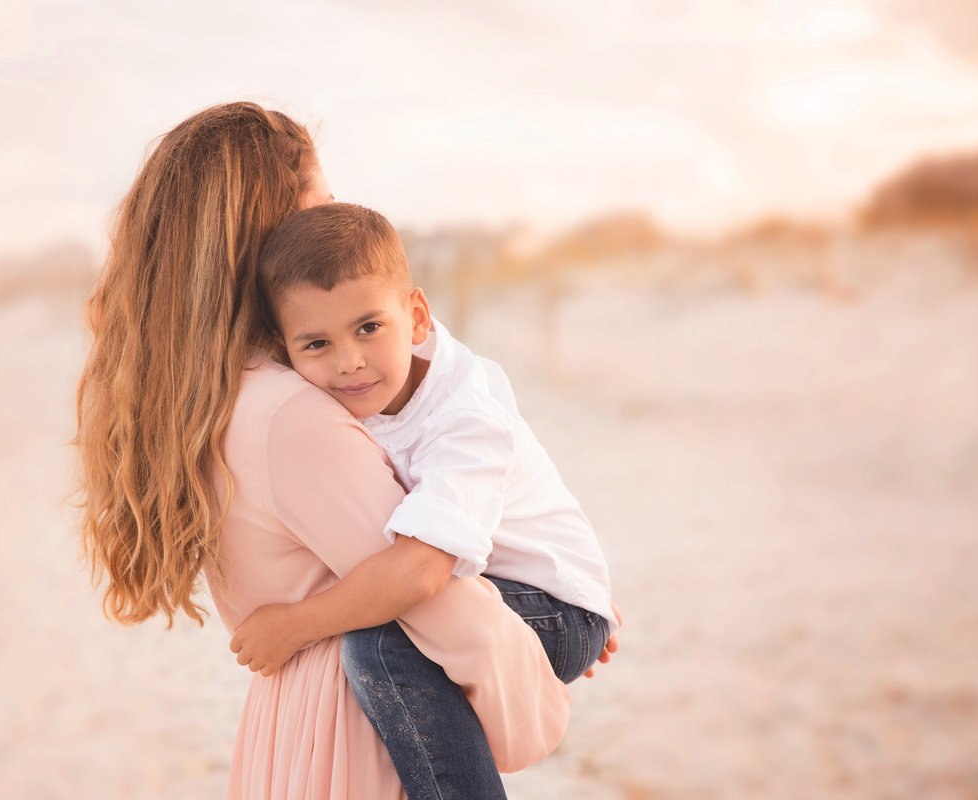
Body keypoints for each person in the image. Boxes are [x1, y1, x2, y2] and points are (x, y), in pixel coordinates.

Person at [74, 102, 598, 800]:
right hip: (355, 732)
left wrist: (551, 603)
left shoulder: (217, 397)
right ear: (266, 239)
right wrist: (530, 665)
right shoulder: (294, 413)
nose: (336, 224)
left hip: (303, 723)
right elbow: (433, 598)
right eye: (318, 207)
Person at [228, 201, 618, 787]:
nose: (349, 363)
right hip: (492, 585)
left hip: (557, 606)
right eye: (316, 345)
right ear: (286, 350)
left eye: (368, 328)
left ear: (415, 317)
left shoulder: (465, 415)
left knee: (382, 648)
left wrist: (293, 626)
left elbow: (418, 573)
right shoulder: (348, 399)